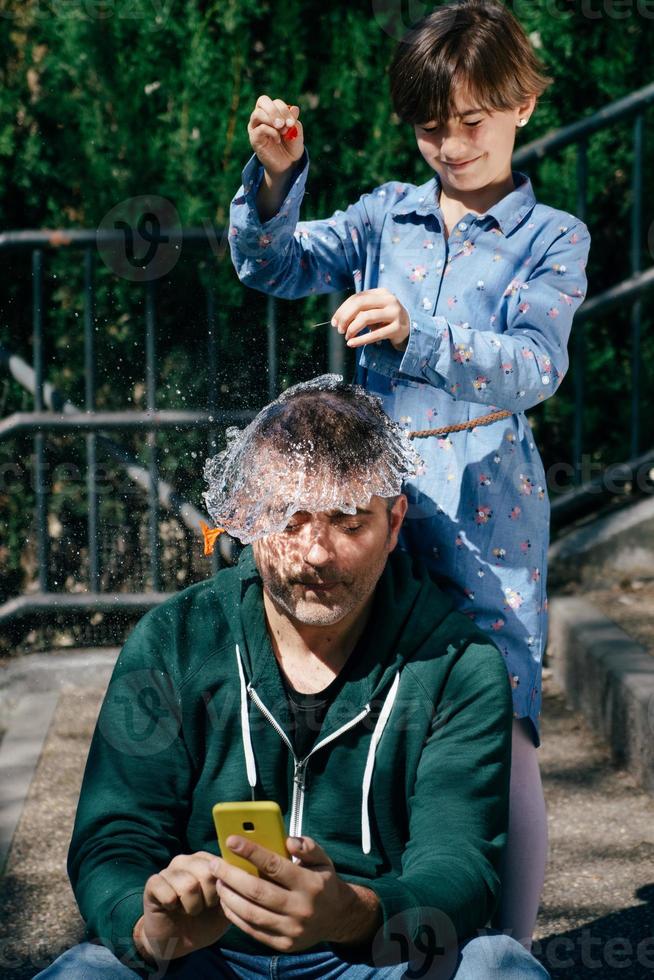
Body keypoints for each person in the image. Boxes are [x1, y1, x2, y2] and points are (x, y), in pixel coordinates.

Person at [227, 0, 592, 949]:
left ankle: (506, 949)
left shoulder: (554, 237)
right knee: (361, 689)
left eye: (473, 122)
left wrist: (419, 335)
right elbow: (271, 266)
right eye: (432, 127)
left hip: (487, 507)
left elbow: (536, 366)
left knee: (502, 718)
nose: (452, 145)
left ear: (524, 103)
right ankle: (368, 927)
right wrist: (276, 182)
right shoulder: (384, 213)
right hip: (370, 502)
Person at [34, 377, 550, 979]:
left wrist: (351, 914)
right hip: (204, 959)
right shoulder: (175, 639)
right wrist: (151, 927)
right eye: (289, 519)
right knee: (86, 971)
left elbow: (459, 867)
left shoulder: (459, 664)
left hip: (375, 962)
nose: (316, 554)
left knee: (498, 966)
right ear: (250, 519)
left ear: (396, 523)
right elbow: (114, 836)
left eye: (349, 522)